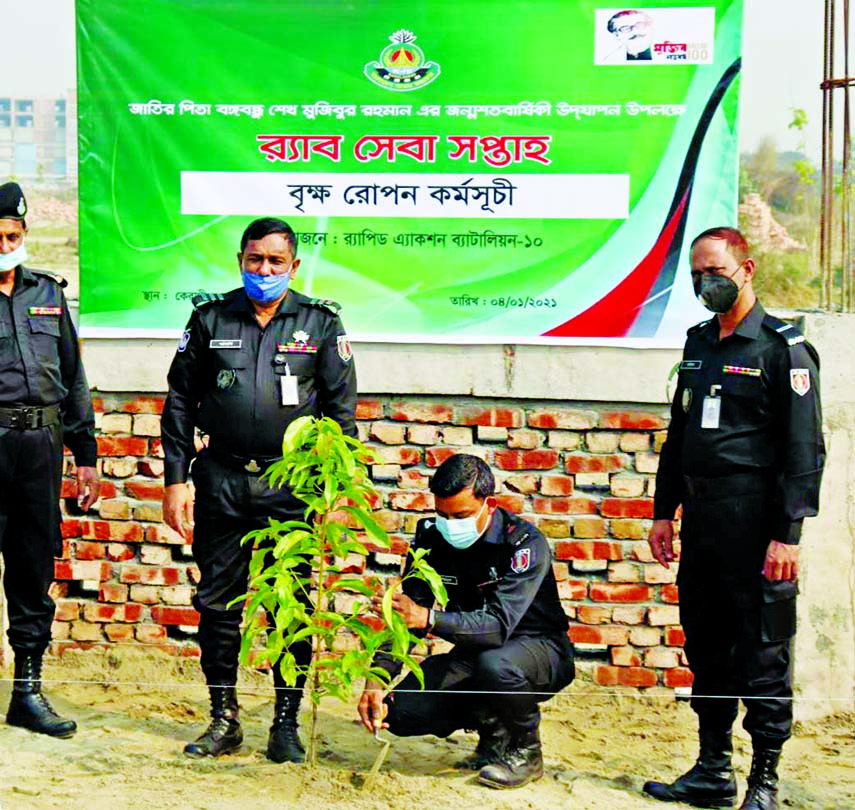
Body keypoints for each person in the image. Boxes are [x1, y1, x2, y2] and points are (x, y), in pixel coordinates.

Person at [161, 216, 356, 762]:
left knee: (291, 605)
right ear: (241, 261)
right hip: (221, 480)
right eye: (254, 260)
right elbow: (179, 401)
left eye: (275, 262)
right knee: (218, 605)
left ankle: (286, 724)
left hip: (292, 486)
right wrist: (176, 481)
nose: (263, 270)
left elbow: (341, 417)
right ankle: (223, 718)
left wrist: (335, 497)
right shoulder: (209, 318)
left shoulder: (320, 325)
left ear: (293, 266)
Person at [643, 227, 825, 810]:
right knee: (708, 646)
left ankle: (764, 783)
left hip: (757, 526)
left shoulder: (782, 348)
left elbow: (804, 452)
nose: (705, 282)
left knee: (763, 654)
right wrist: (663, 512)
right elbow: (679, 438)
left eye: (715, 270)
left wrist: (788, 535)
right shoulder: (698, 344)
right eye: (697, 273)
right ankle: (712, 771)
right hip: (702, 522)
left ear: (746, 268)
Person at [358, 453, 574, 789]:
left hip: (539, 650)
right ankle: (494, 735)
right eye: (441, 515)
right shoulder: (431, 539)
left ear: (489, 504)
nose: (449, 524)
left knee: (496, 666)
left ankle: (526, 752)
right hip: (475, 651)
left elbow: (499, 624)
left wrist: (427, 618)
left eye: (460, 515)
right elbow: (406, 613)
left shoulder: (523, 543)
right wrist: (376, 678)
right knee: (397, 712)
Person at [0, 181, 99, 738]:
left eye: (13, 234)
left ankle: (28, 692)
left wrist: (85, 455)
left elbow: (72, 376)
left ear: (25, 234)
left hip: (40, 449)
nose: (5, 244)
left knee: (33, 568)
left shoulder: (48, 293)